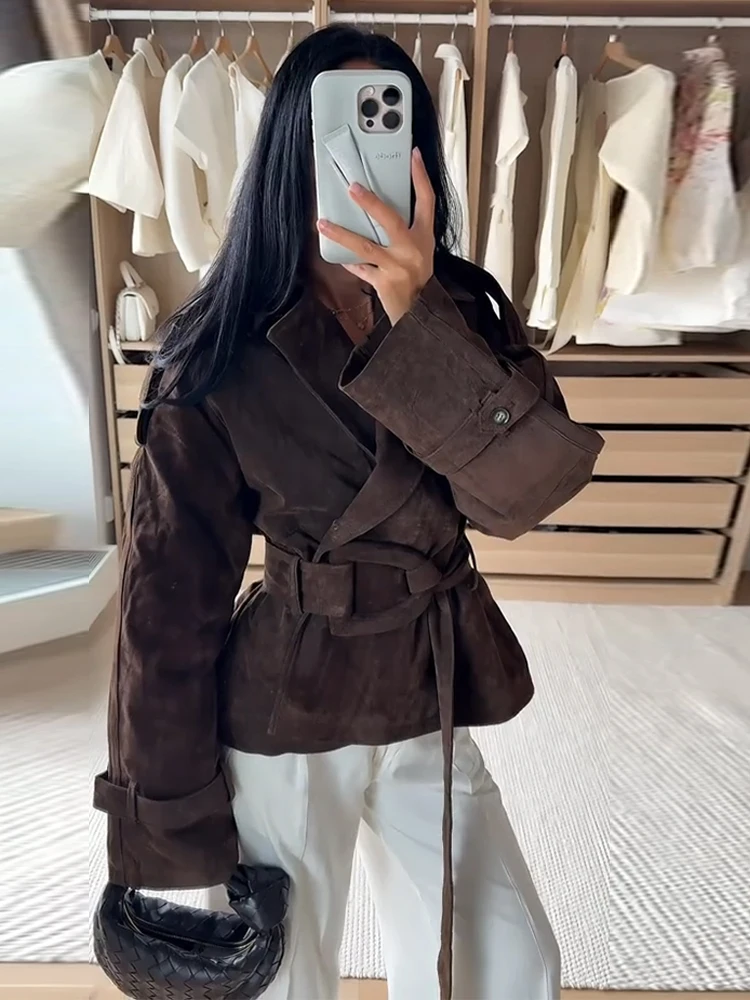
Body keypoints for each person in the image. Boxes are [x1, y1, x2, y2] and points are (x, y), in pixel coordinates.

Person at [94, 25, 602, 1000]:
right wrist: (168, 819)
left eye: (387, 125)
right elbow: (166, 601)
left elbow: (524, 496)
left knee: (509, 963)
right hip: (288, 696)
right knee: (285, 977)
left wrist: (419, 317)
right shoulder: (216, 349)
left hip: (426, 682)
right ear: (293, 147)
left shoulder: (466, 309)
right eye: (338, 127)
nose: (361, 152)